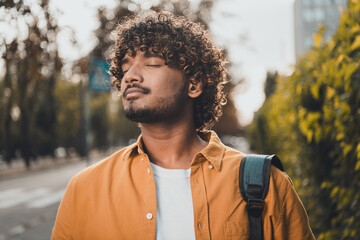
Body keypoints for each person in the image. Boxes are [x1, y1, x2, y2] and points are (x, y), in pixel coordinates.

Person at [51, 11, 315, 240]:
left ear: (194, 84)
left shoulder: (268, 185)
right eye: (125, 67)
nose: (130, 76)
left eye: (152, 62)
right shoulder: (83, 189)